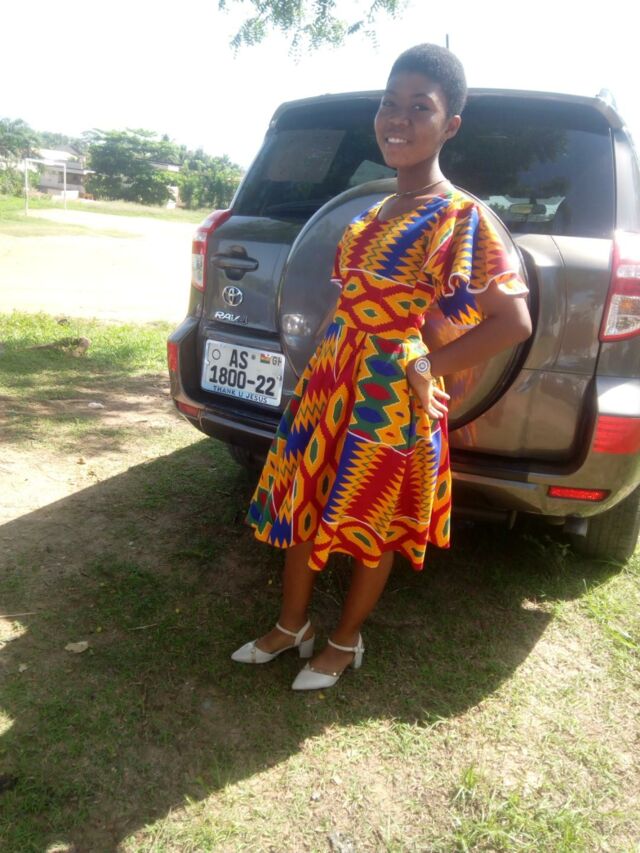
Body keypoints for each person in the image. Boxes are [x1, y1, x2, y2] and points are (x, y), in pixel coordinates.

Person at [231, 43, 532, 690]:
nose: (397, 119)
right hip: (331, 380)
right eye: (389, 104)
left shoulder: (461, 216)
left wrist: (429, 366)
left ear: (450, 125)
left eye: (419, 108)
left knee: (372, 517)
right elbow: (354, 303)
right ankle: (291, 625)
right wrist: (323, 369)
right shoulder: (372, 212)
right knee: (306, 499)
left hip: (388, 395)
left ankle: (345, 640)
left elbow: (512, 322)